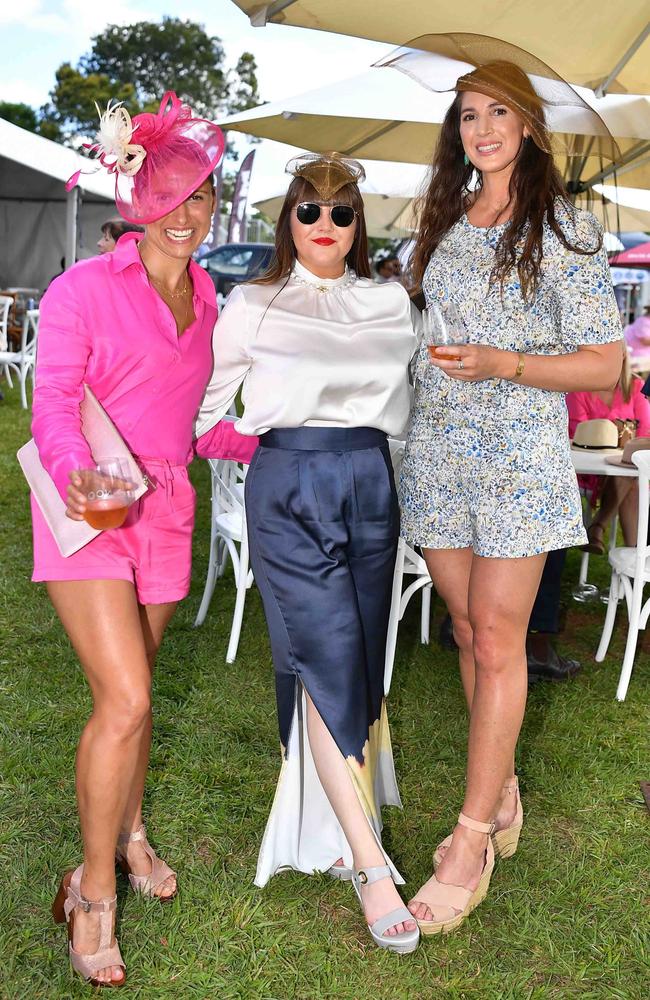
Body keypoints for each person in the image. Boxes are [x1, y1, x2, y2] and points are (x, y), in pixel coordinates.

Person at [393, 46, 623, 934]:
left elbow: (606, 361)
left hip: (520, 457)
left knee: (498, 640)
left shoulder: (563, 229)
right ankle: (508, 784)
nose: (481, 129)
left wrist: (506, 364)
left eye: (497, 113)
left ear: (528, 125)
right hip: (442, 450)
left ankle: (472, 835)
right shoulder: (447, 224)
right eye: (467, 116)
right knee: (462, 627)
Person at [33, 92, 256, 987]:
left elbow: (195, 425)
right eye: (172, 195)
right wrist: (73, 470)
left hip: (166, 511)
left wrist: (276, 438)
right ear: (138, 198)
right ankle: (92, 893)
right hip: (89, 508)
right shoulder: (83, 287)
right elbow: (52, 400)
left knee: (139, 693)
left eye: (203, 196)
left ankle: (128, 836)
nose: (188, 215)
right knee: (123, 698)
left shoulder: (209, 299)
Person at [196, 152, 420, 954]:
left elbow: (417, 398)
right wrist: (266, 449)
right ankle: (370, 868)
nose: (325, 225)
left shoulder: (391, 301)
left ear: (359, 226)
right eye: (309, 211)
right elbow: (206, 410)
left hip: (371, 482)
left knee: (354, 657)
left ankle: (328, 819)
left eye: (342, 213)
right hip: (290, 483)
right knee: (326, 656)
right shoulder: (252, 302)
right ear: (287, 219)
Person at [567, 351, 650, 550]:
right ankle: (635, 565)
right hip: (591, 466)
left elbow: (645, 428)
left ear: (622, 357)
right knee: (631, 477)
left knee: (630, 475)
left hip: (627, 463)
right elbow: (581, 431)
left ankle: (597, 527)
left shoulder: (635, 386)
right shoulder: (580, 389)